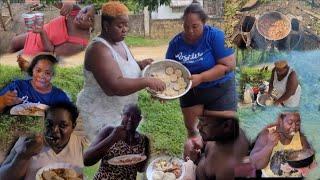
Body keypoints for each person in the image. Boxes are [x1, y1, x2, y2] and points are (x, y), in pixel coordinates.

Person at [76, 1, 165, 140]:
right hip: (99, 119)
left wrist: (141, 65)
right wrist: (147, 81)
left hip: (121, 115)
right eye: (120, 25)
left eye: (126, 25)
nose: (125, 29)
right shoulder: (98, 49)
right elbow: (114, 87)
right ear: (106, 25)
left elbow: (121, 67)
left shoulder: (119, 42)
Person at [165, 1, 236, 158]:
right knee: (193, 133)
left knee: (219, 136)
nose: (190, 31)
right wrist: (164, 91)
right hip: (191, 92)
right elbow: (168, 72)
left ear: (204, 22)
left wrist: (202, 77)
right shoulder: (176, 44)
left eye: (195, 26)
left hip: (220, 89)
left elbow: (229, 65)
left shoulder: (215, 36)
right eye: (186, 26)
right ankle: (191, 168)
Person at [0, 102, 87, 180]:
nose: (54, 130)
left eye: (63, 125)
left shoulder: (81, 144)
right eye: (49, 124)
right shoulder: (28, 140)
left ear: (73, 126)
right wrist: (23, 155)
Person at [10, 2, 95, 70]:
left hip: (40, 50)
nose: (83, 17)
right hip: (36, 34)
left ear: (94, 25)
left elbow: (51, 51)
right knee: (14, 42)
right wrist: (66, 2)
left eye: (90, 19)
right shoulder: (76, 10)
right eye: (85, 11)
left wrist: (42, 32)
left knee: (18, 62)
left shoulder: (79, 43)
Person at [83, 104, 149, 180]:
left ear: (139, 119)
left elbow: (141, 169)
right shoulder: (110, 131)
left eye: (135, 116)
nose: (130, 119)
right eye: (127, 115)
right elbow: (86, 160)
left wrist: (139, 159)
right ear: (122, 115)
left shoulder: (144, 140)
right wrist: (112, 138)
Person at [250, 112, 316, 177]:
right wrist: (269, 145)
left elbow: (310, 161)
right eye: (290, 123)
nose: (294, 127)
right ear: (280, 121)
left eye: (297, 123)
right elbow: (256, 165)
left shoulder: (301, 139)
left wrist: (306, 167)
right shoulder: (267, 134)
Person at [0, 53, 70, 113]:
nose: (41, 75)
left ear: (53, 75)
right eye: (38, 70)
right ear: (32, 70)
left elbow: (68, 116)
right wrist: (3, 101)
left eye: (47, 73)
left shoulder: (60, 96)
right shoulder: (17, 86)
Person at [185, 115, 249, 179]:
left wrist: (189, 175)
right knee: (189, 144)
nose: (198, 126)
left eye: (203, 123)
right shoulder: (220, 134)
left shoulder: (227, 168)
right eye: (199, 120)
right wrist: (201, 143)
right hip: (201, 165)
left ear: (226, 126)